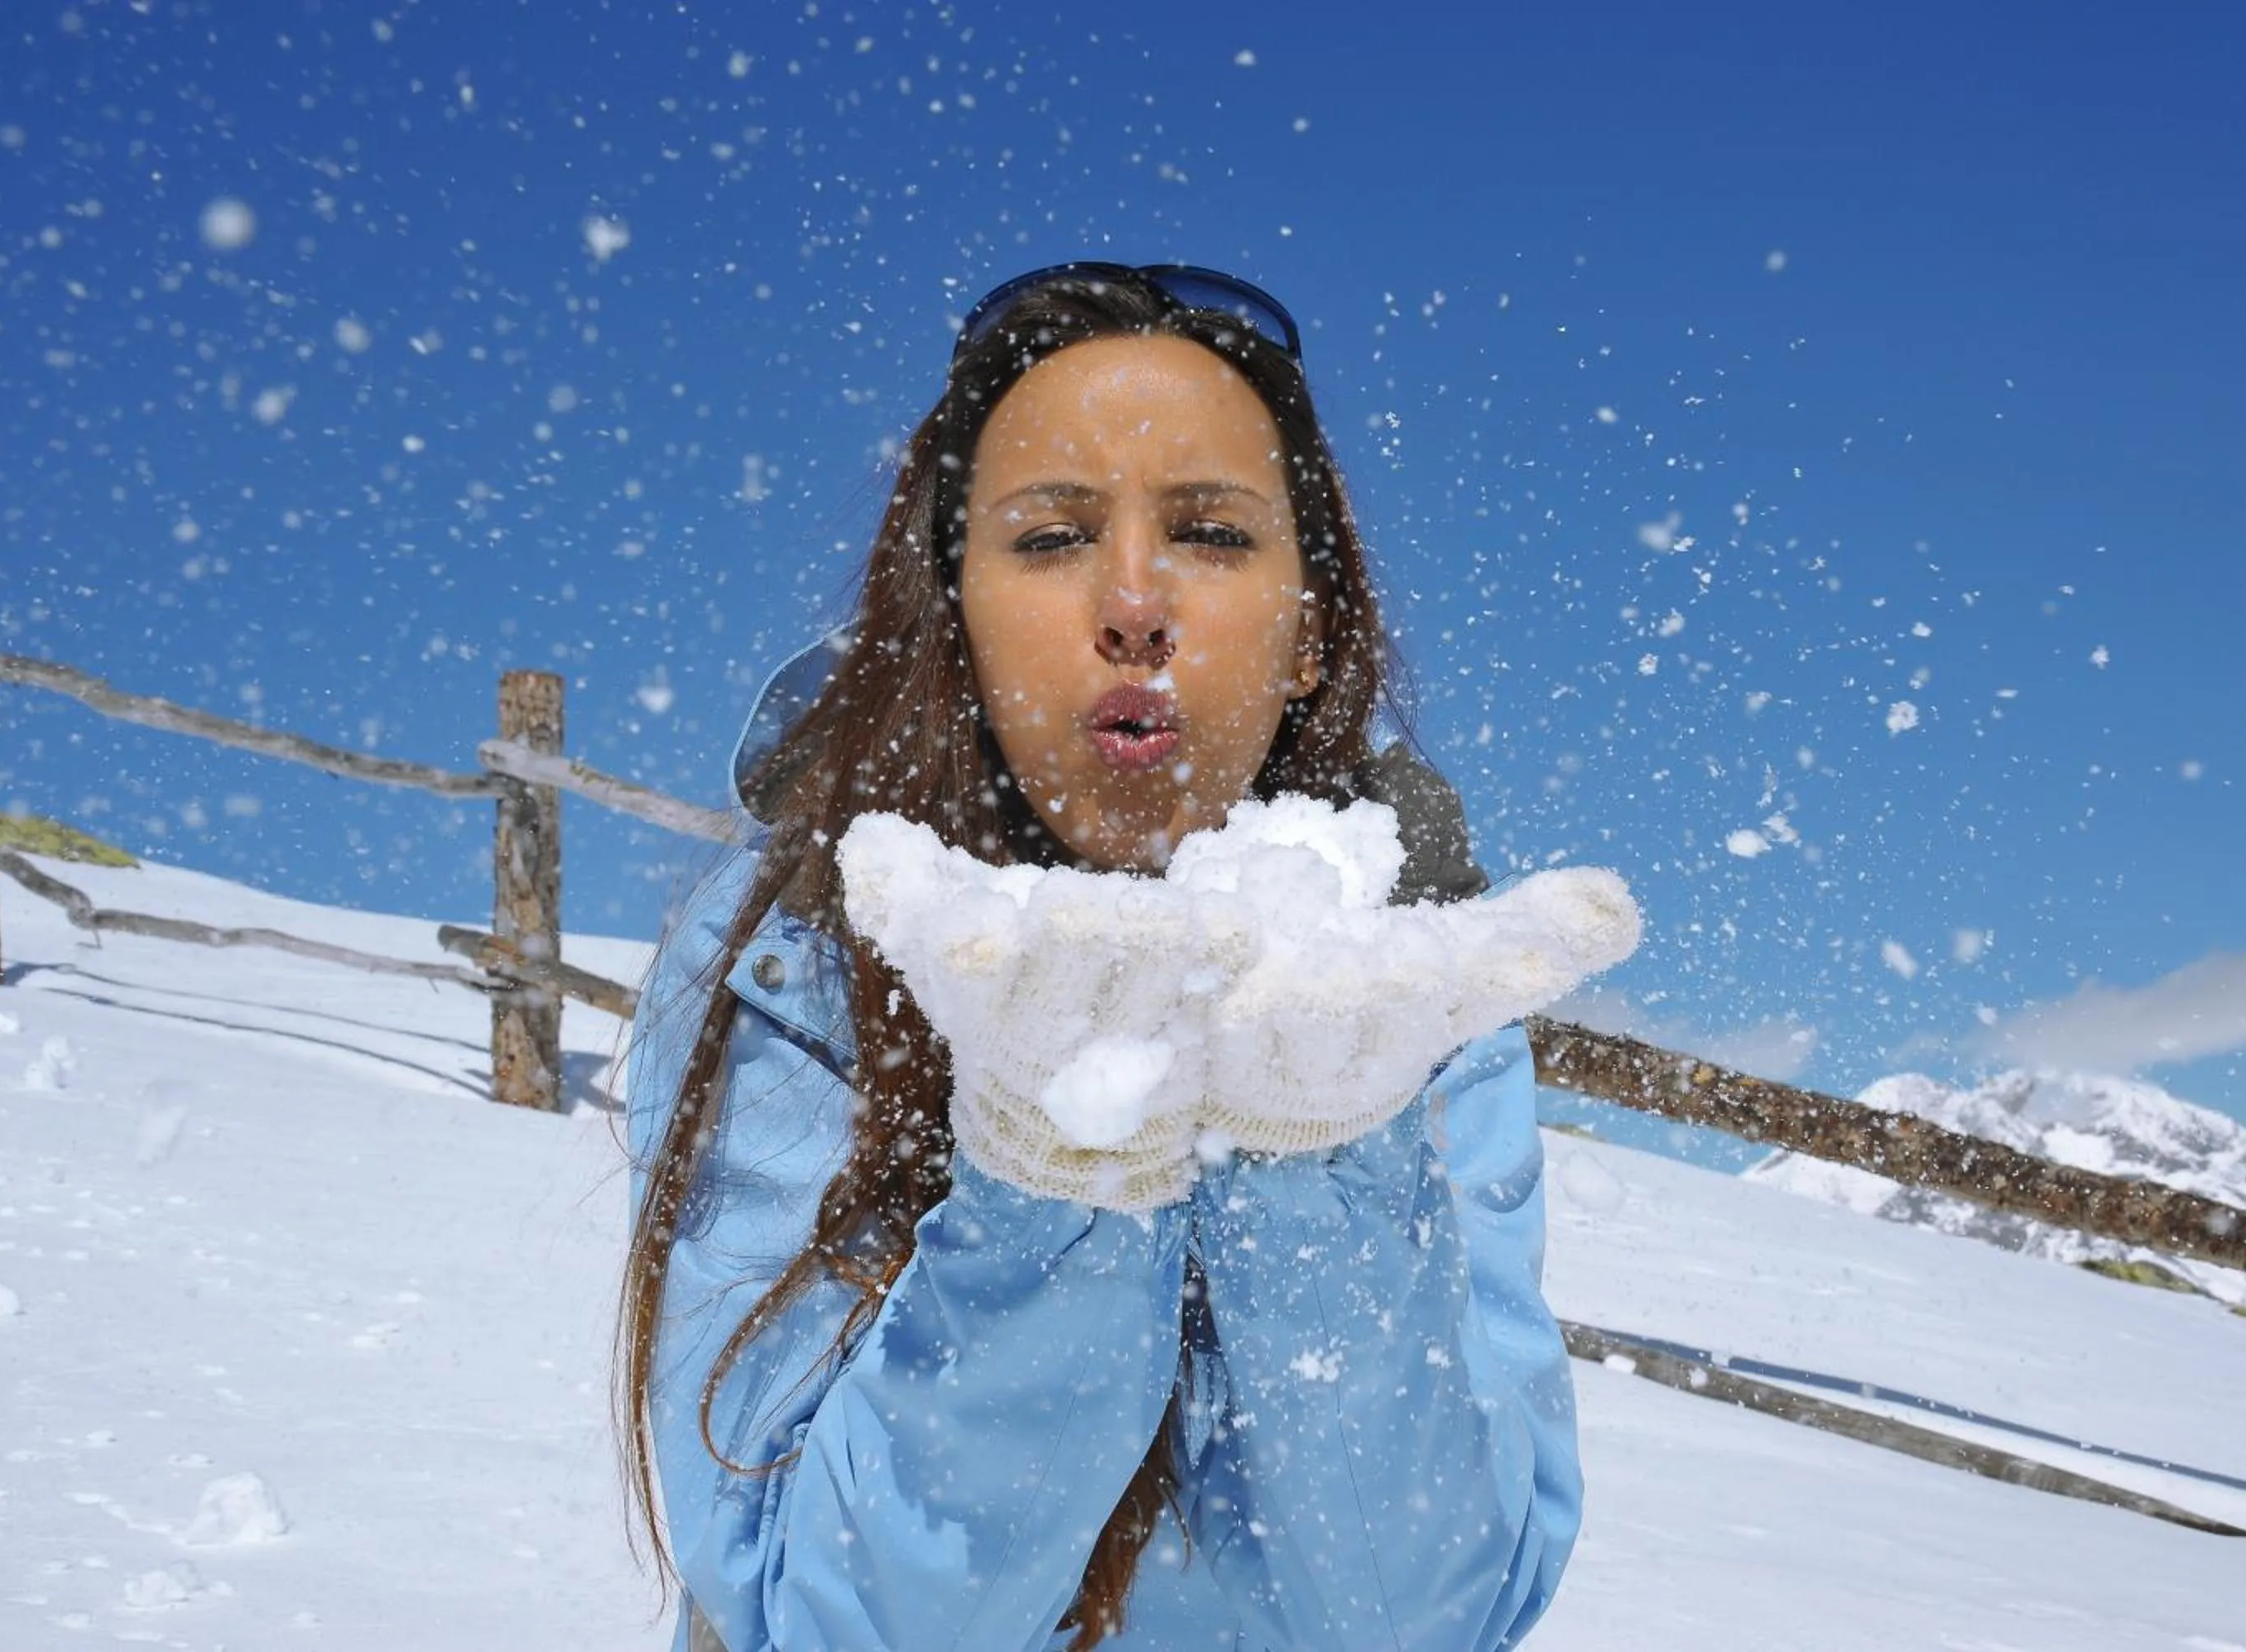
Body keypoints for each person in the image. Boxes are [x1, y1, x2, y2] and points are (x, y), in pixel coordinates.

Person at [616, 264, 1639, 1651]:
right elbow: (816, 1615)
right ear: (955, 617)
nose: (1136, 603)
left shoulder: (1412, 1002)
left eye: (1212, 534)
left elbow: (1423, 1623)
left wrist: (1317, 1152)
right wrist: (1052, 1170)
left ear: (1306, 638)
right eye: (1049, 539)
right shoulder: (799, 954)